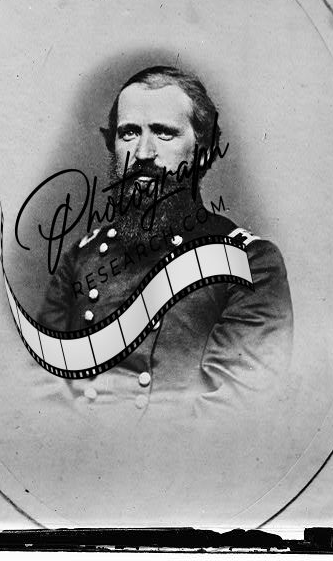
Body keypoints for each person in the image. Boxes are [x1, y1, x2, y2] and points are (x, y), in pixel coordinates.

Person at [38, 66, 293, 416]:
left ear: (203, 152)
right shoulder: (82, 257)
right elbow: (41, 391)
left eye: (164, 133)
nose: (143, 152)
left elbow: (233, 413)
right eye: (129, 133)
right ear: (113, 145)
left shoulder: (248, 262)